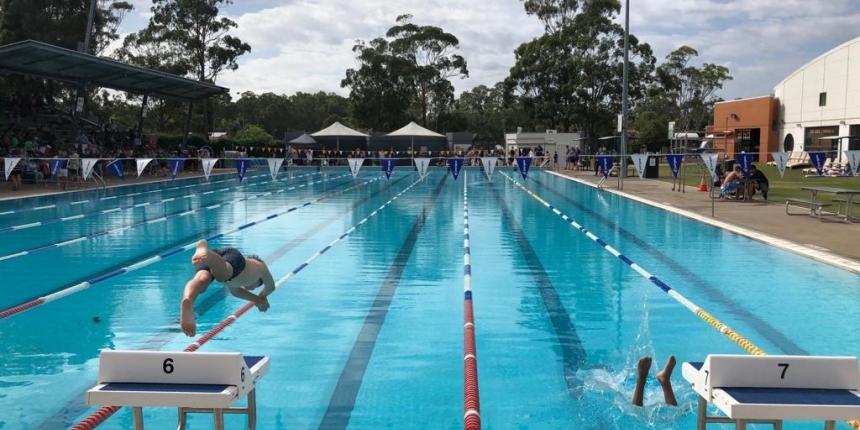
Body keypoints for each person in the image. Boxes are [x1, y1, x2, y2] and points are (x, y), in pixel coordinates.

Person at [180, 239, 276, 337]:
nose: (251, 289)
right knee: (224, 275)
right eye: (257, 286)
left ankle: (188, 299)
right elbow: (271, 287)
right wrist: (263, 296)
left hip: (216, 258)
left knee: (201, 279)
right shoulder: (261, 268)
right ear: (259, 280)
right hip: (232, 259)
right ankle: (208, 255)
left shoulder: (236, 283)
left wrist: (258, 300)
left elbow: (236, 293)